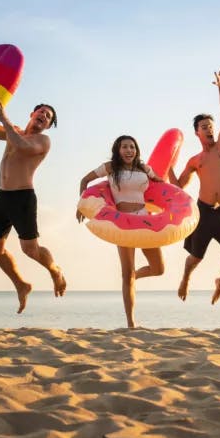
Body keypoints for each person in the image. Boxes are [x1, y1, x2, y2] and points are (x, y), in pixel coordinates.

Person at [0, 100, 67, 314]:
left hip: (22, 198)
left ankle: (54, 270)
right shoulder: (15, 131)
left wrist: (3, 117)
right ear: (32, 113)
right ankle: (21, 285)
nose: (44, 115)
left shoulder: (43, 141)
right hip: (1, 197)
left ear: (48, 125)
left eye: (48, 116)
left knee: (30, 249)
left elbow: (22, 145)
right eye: (41, 111)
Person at [77, 135, 164, 328]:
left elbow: (160, 183)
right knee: (126, 274)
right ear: (118, 150)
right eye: (124, 147)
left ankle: (135, 276)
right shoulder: (110, 167)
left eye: (132, 147)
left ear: (136, 150)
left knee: (159, 269)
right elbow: (85, 180)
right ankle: (131, 323)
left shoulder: (143, 168)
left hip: (144, 220)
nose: (129, 150)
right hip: (123, 224)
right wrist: (82, 205)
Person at [168, 69, 220, 304]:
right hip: (204, 210)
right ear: (197, 132)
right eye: (204, 126)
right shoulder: (195, 160)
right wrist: (168, 166)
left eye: (210, 126)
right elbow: (178, 187)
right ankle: (185, 278)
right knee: (195, 258)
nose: (209, 129)